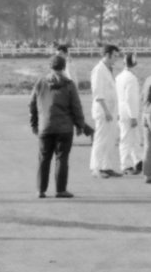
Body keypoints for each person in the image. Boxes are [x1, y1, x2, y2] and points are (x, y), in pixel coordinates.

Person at [29, 54, 93, 199]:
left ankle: (40, 190)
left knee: (44, 158)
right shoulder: (69, 84)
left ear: (49, 66)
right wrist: (80, 125)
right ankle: (60, 189)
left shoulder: (40, 83)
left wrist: (34, 124)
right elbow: (76, 107)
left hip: (45, 126)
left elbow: (32, 105)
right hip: (64, 128)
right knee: (62, 159)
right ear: (64, 67)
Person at [89, 44, 123, 178]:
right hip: (104, 110)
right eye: (114, 56)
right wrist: (106, 110)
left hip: (112, 109)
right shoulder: (98, 70)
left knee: (110, 139)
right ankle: (96, 167)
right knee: (101, 139)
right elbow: (98, 93)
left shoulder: (108, 69)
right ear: (107, 55)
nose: (116, 59)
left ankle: (106, 166)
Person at [115, 52, 143, 175]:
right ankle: (126, 164)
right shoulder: (131, 78)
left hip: (122, 109)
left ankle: (138, 160)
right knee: (127, 138)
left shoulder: (119, 76)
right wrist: (133, 116)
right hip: (128, 111)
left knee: (133, 137)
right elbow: (130, 98)